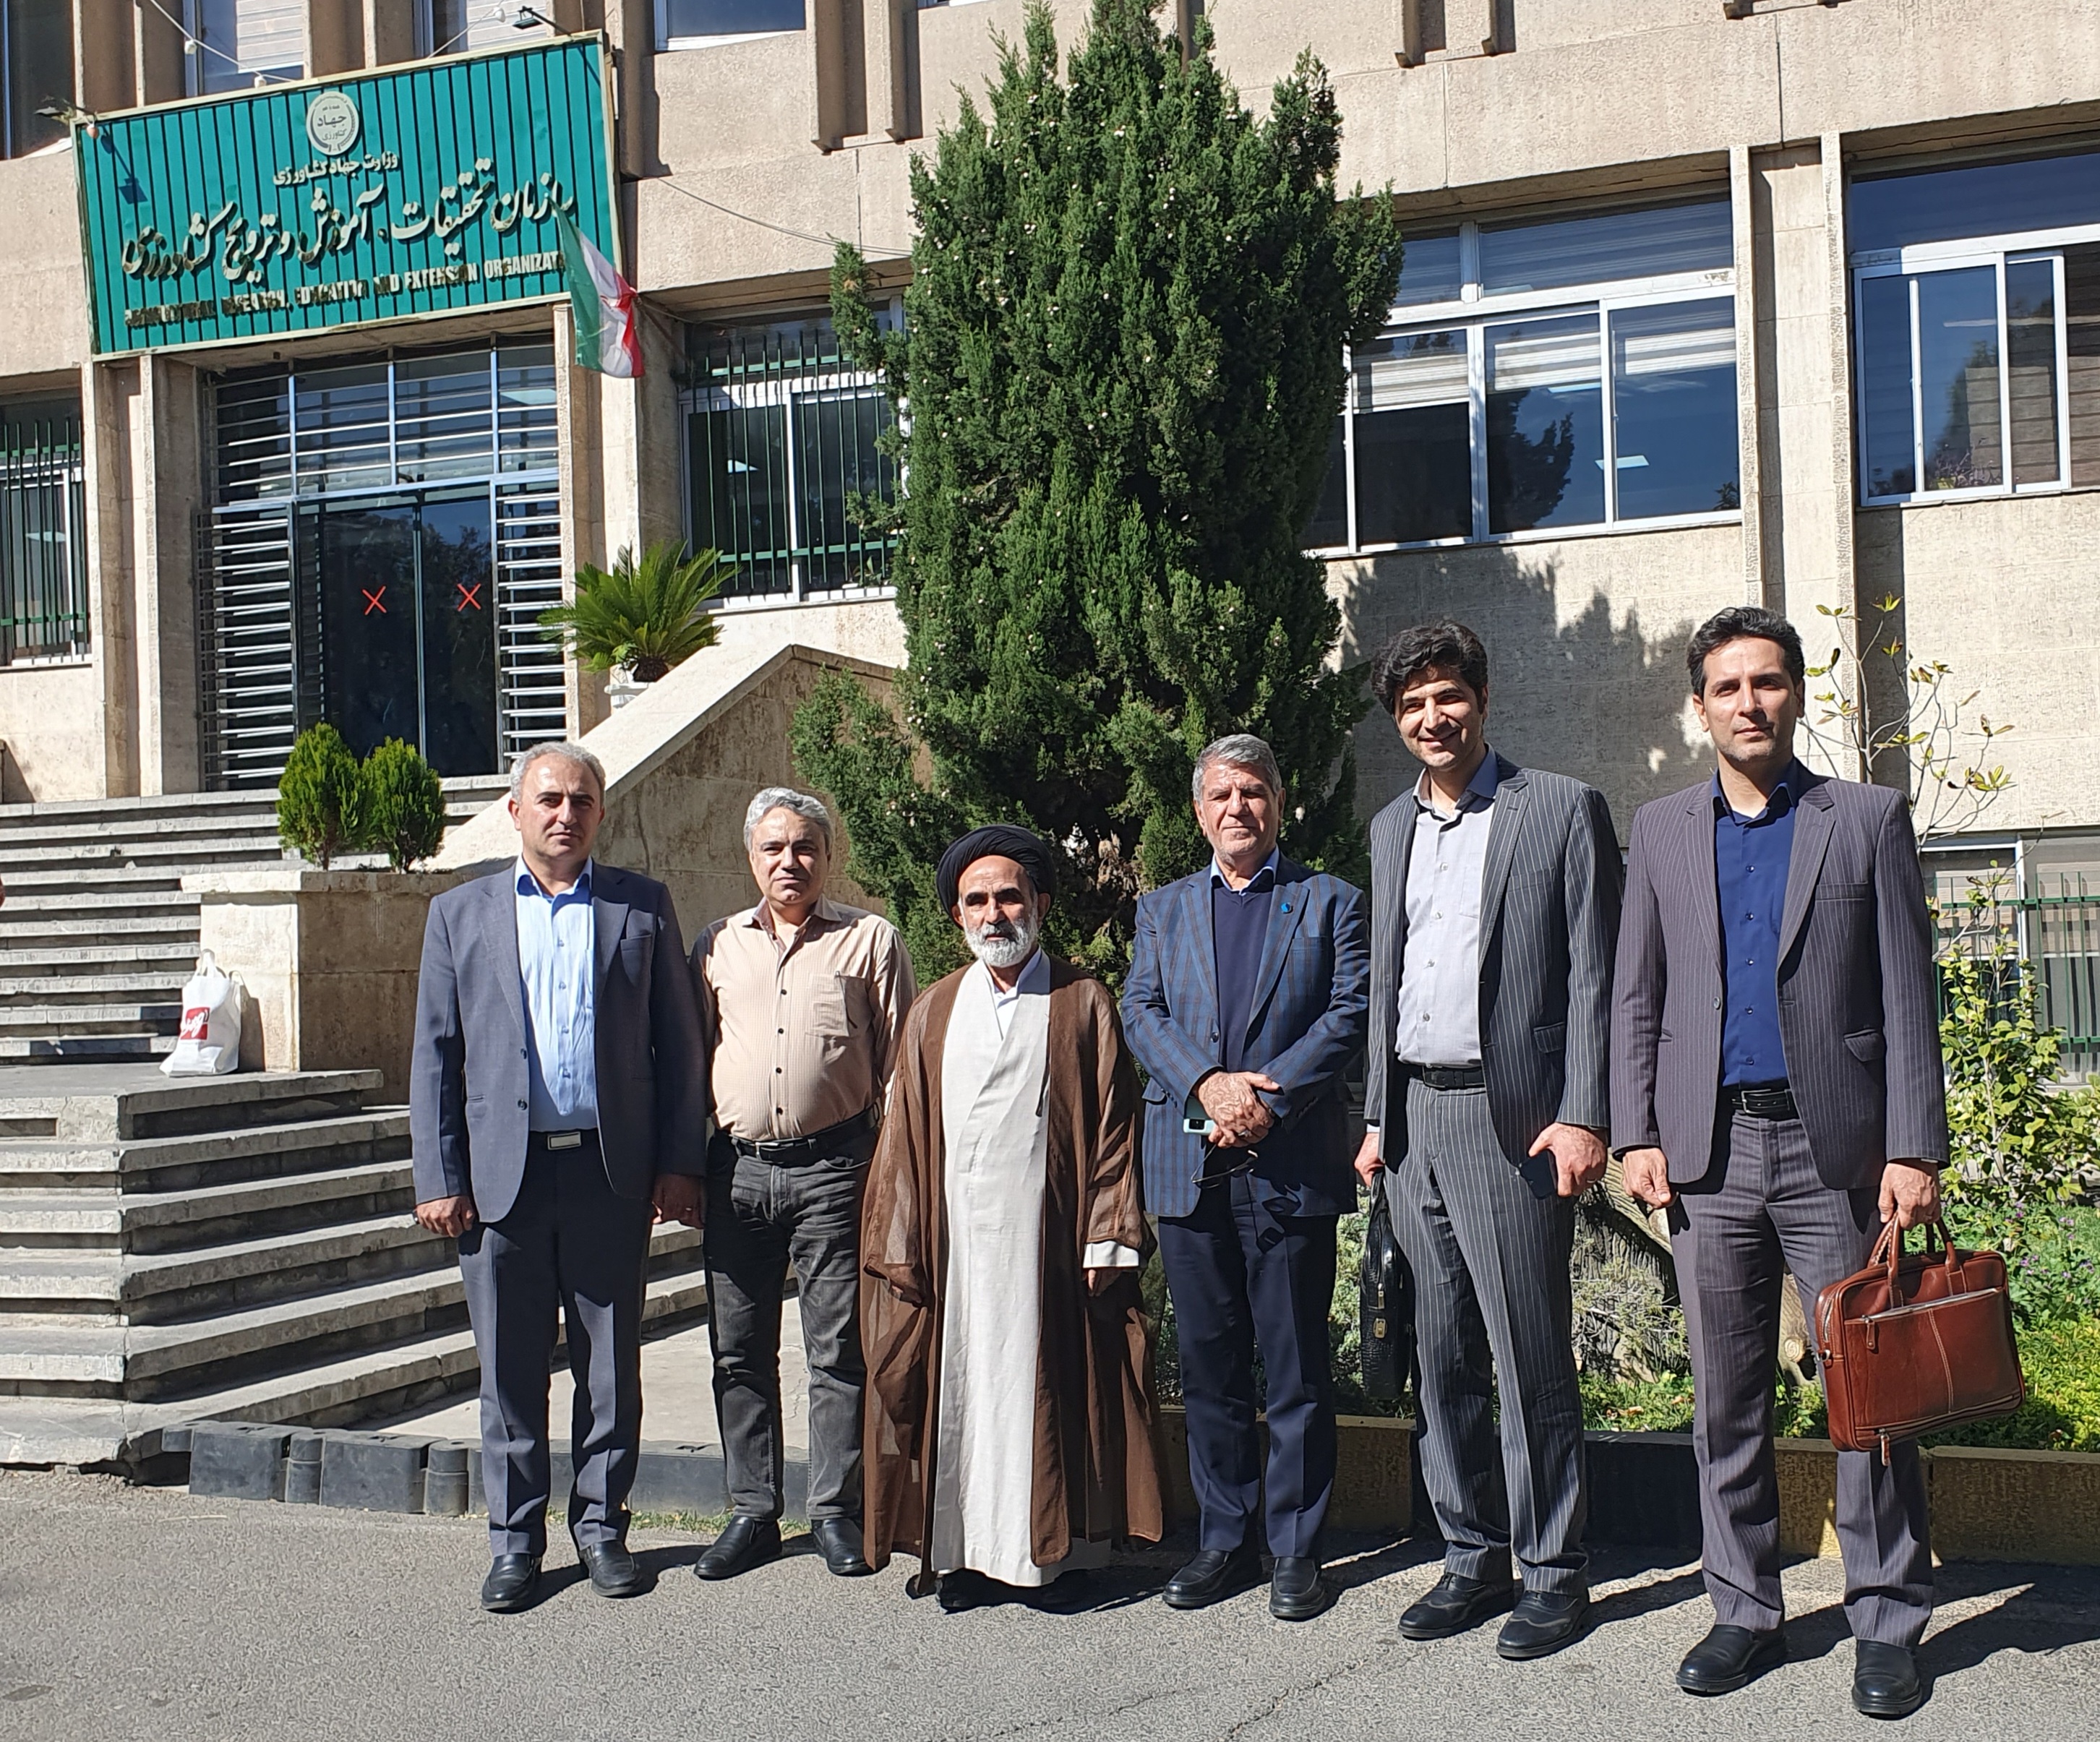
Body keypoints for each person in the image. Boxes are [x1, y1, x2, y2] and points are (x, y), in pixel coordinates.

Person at [1611, 605, 1945, 1719]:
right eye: (1727, 686)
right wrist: (1636, 1130)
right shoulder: (1661, 830)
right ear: (1698, 705)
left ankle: (1885, 1618)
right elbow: (1637, 996)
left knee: (1868, 1396)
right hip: (1707, 1154)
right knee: (1725, 1397)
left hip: (1835, 1150)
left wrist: (1913, 1146)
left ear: (1795, 692)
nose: (1747, 702)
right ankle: (1745, 1608)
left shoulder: (1864, 819)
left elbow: (1907, 992)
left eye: (1766, 681)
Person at [1352, 622, 1621, 1660]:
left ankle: (1552, 1570)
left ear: (1482, 698)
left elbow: (1596, 974)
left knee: (1527, 1352)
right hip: (1413, 1120)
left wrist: (1586, 1112)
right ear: (1397, 720)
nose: (1433, 716)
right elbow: (1387, 981)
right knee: (1440, 1353)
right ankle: (1470, 1554)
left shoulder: (1556, 807)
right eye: (1412, 703)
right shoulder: (1390, 827)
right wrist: (1375, 1116)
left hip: (1512, 1124)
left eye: (1448, 694)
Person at [409, 742, 708, 1613]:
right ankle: (515, 1542)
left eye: (581, 800)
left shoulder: (639, 907)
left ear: (600, 812)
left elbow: (679, 1047)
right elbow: (434, 1055)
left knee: (609, 1367)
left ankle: (603, 1528)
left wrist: (678, 1163)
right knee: (509, 1371)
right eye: (549, 799)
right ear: (516, 810)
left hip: (608, 1175)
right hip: (501, 1181)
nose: (565, 814)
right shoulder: (458, 914)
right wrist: (439, 1173)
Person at [860, 826, 1163, 1611]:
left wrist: (1108, 1232)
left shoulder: (1082, 1000)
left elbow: (1113, 1124)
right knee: (964, 1387)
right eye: (977, 901)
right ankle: (964, 1553)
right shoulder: (932, 1010)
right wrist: (904, 1244)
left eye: (1008, 897)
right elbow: (902, 1140)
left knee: (1049, 1389)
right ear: (957, 915)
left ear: (1040, 905)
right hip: (957, 1248)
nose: (993, 914)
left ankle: (1054, 1557)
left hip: (1050, 1246)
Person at [1122, 735, 1368, 1622]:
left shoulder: (1330, 901)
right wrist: (1206, 1083)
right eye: (1222, 794)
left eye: (1254, 791)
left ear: (1278, 801)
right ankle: (1224, 1538)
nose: (1238, 807)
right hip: (1191, 1168)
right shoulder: (1161, 911)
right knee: (1209, 1364)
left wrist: (1269, 1097)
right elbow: (1139, 1008)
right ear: (1199, 810)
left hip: (1288, 1163)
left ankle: (1296, 1548)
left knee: (1296, 1367)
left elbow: (1349, 1009)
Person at [688, 788, 914, 1582]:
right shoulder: (716, 945)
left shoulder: (870, 940)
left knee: (837, 1350)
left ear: (827, 855)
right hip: (738, 1172)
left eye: (806, 846)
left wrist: (893, 1176)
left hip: (835, 1169)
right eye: (775, 848)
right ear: (752, 858)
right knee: (737, 1349)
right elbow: (693, 1058)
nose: (791, 861)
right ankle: (752, 1510)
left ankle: (834, 1512)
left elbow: (898, 1068)